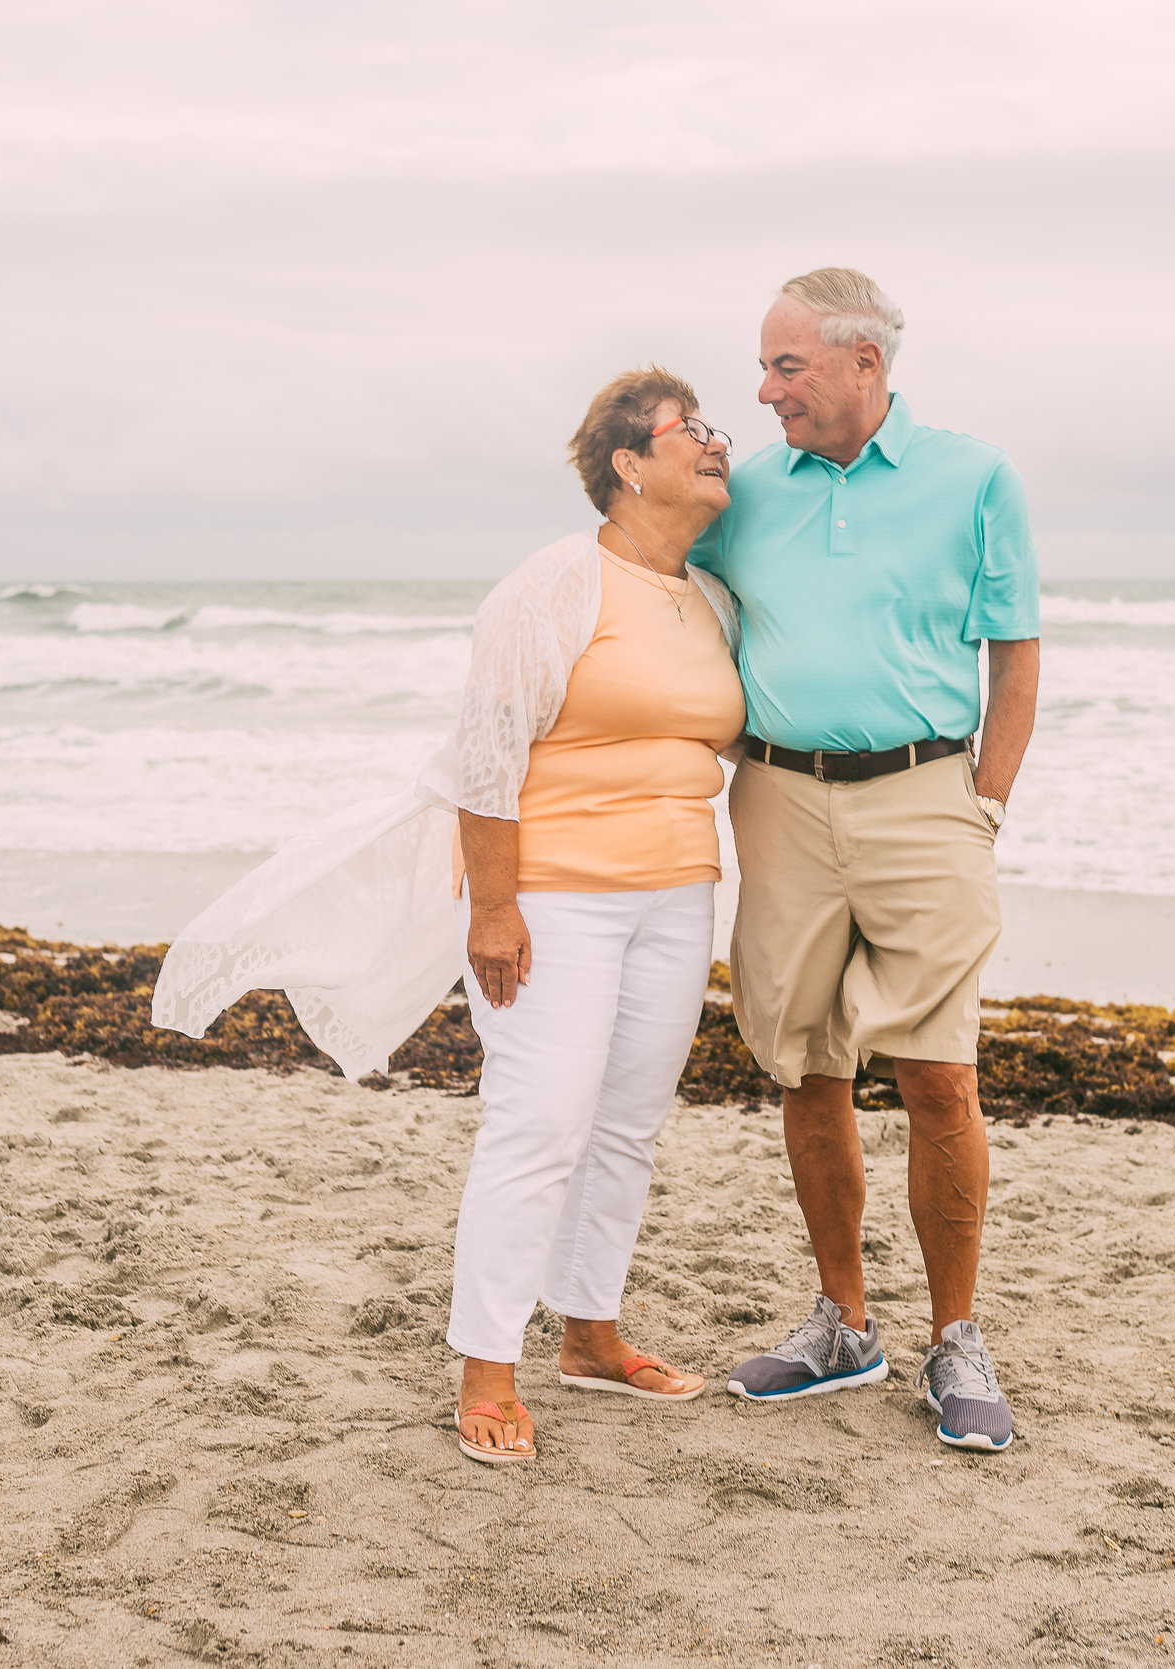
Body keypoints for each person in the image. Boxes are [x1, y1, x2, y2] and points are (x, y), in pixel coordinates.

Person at [152, 367, 745, 1466]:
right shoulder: (552, 585)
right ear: (628, 463)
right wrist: (497, 906)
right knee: (538, 1121)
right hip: (556, 895)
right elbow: (488, 753)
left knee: (625, 1121)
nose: (716, 443)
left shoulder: (705, 595)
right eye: (690, 430)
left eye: (714, 428)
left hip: (678, 892)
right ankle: (486, 1363)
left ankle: (591, 1332)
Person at [687, 269, 1040, 1453]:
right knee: (806, 1067)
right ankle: (844, 1320)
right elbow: (658, 582)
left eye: (787, 366)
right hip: (779, 799)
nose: (766, 389)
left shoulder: (974, 477)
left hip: (926, 796)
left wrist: (982, 801)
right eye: (767, 365)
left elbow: (1015, 652)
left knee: (939, 1072)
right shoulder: (740, 494)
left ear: (862, 365)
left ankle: (955, 1336)